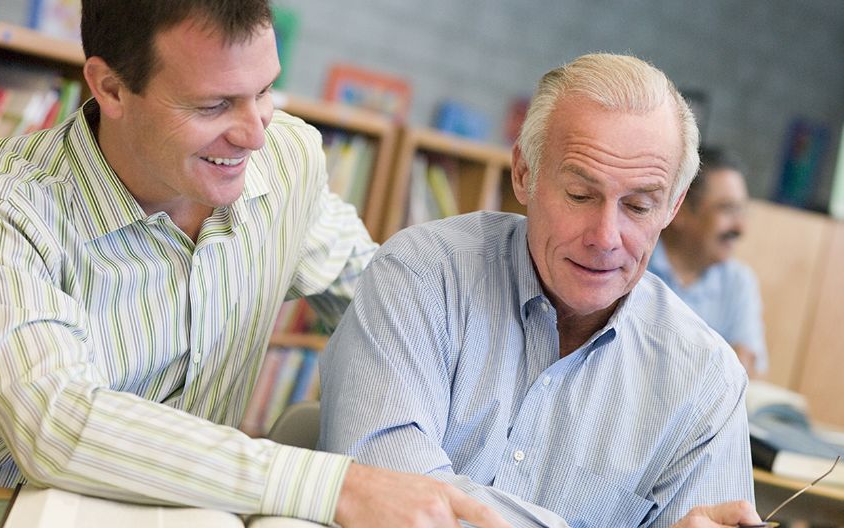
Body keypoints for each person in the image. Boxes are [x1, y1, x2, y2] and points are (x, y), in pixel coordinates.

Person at [0, 2, 511, 527]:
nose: (254, 134)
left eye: (266, 90)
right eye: (214, 105)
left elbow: (389, 311)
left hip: (184, 511)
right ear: (109, 89)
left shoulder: (287, 159)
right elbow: (57, 426)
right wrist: (338, 487)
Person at [320, 53, 763, 527]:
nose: (605, 237)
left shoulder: (707, 381)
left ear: (672, 208)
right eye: (580, 195)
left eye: (637, 206)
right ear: (524, 174)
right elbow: (390, 493)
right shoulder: (421, 276)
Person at [647, 146, 768, 376]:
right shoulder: (634, 264)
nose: (740, 228)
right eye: (727, 209)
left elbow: (742, 369)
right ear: (679, 209)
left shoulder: (738, 282)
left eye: (741, 211)